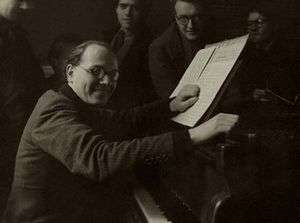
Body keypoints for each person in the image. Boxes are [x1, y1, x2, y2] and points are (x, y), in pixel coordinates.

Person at [2, 40, 238, 223]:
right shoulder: (53, 110)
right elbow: (99, 158)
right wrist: (193, 135)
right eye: (96, 71)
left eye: (113, 74)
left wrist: (170, 104)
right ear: (70, 72)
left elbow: (123, 120)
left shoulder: (75, 103)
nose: (106, 81)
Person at [0, 0, 46, 215]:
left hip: (24, 131)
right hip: (10, 136)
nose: (28, 8)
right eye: (22, 1)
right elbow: (13, 95)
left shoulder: (15, 32)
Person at [149, 0, 214, 98]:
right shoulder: (159, 49)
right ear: (176, 18)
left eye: (197, 18)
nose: (190, 25)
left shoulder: (214, 35)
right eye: (184, 19)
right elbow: (170, 98)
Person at [108, 0, 156, 109]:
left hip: (128, 108)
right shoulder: (106, 36)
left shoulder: (152, 44)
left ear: (144, 12)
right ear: (116, 9)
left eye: (135, 8)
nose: (127, 13)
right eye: (123, 6)